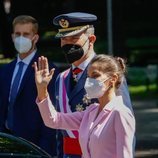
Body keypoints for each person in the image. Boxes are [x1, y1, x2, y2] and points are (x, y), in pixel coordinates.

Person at [49, 12, 133, 158]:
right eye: (64, 39)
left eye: (74, 38)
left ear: (91, 39)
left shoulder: (108, 73)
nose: (68, 44)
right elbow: (59, 129)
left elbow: (125, 134)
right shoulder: (61, 78)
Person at [34, 54, 136, 158]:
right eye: (88, 77)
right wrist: (42, 89)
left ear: (113, 79)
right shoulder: (91, 111)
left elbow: (125, 155)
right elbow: (53, 120)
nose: (89, 81)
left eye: (95, 76)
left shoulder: (120, 113)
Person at [0, 15, 59, 157]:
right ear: (12, 36)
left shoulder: (47, 70)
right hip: (7, 145)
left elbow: (52, 112)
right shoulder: (6, 70)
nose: (21, 38)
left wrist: (44, 151)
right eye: (17, 34)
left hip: (34, 147)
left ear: (35, 38)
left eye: (26, 34)